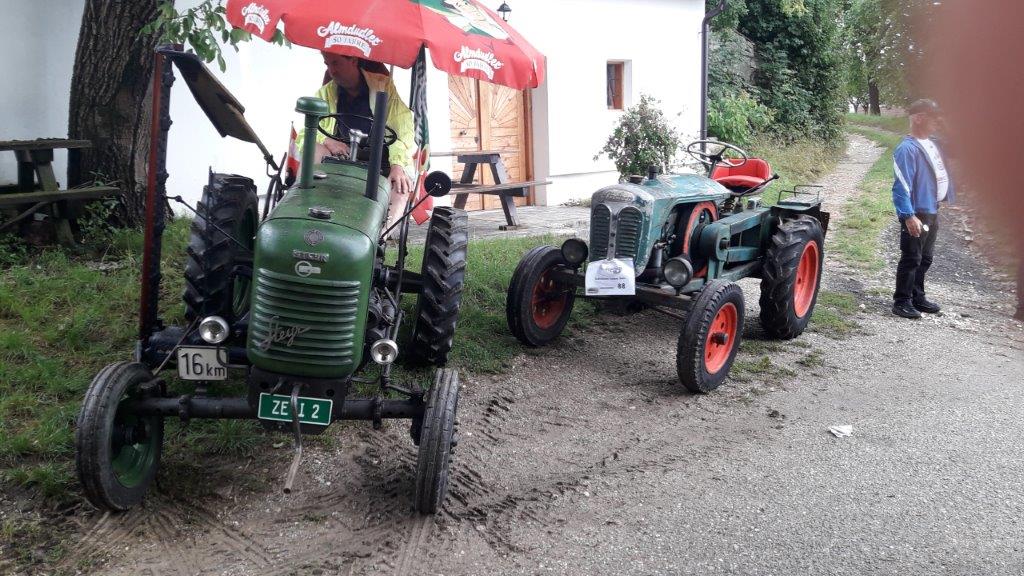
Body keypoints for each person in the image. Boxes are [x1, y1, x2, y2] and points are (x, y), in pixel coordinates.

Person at [309, 52, 416, 234]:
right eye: (327, 64)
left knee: (401, 184)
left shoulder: (384, 87)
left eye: (336, 63)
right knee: (312, 148)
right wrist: (328, 140)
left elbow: (402, 129)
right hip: (338, 158)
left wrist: (397, 164)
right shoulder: (325, 93)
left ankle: (379, 239)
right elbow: (306, 131)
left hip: (381, 160)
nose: (331, 71)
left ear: (353, 60)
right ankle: (312, 216)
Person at [891, 98, 956, 319]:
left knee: (925, 258)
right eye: (934, 117)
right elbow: (901, 187)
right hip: (917, 212)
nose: (938, 122)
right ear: (919, 118)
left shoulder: (934, 142)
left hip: (932, 209)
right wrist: (908, 216)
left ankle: (917, 296)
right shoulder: (907, 149)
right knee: (911, 258)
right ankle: (902, 301)